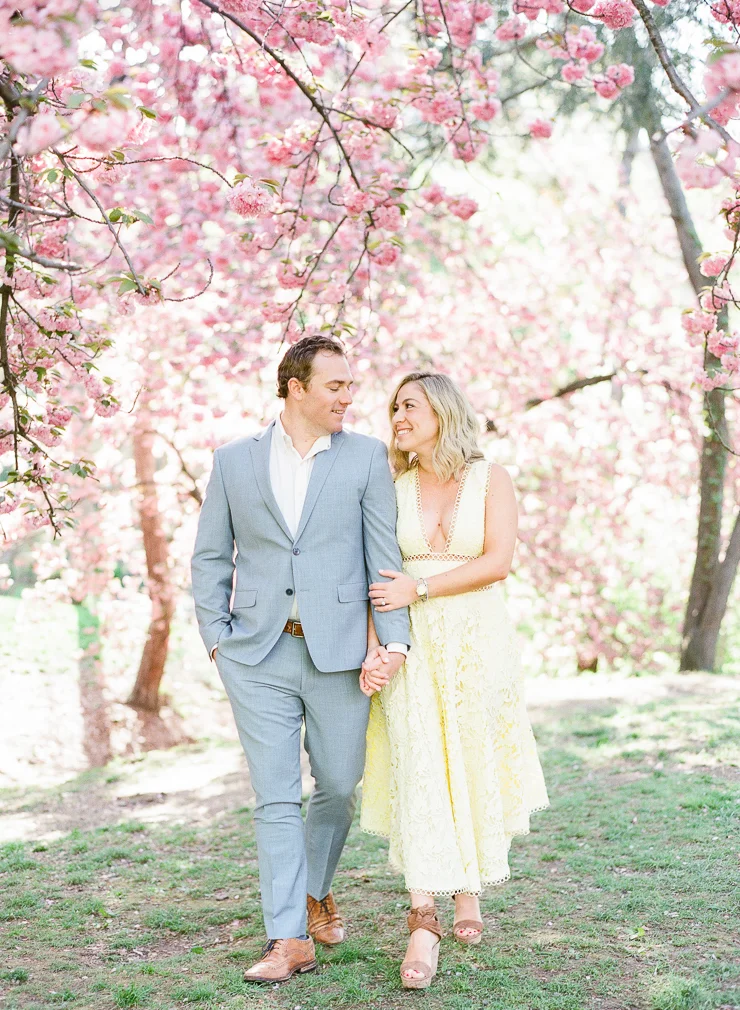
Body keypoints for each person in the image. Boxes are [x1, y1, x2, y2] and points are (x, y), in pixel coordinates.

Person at [191, 335, 410, 984]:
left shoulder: (367, 458)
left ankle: (314, 887)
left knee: (339, 786)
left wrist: (391, 641)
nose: (350, 396)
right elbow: (209, 555)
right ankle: (288, 937)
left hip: (341, 654)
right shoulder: (234, 461)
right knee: (276, 798)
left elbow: (383, 556)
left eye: (350, 386)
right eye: (336, 386)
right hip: (256, 655)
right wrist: (216, 637)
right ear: (295, 386)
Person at [359, 371, 549, 990]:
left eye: (408, 405)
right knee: (420, 765)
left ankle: (469, 888)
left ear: (442, 410)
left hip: (475, 642)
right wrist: (381, 641)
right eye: (394, 409)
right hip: (412, 642)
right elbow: (380, 569)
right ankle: (424, 915)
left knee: (467, 759)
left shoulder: (491, 478)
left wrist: (425, 586)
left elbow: (498, 560)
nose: (397, 416)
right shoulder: (396, 486)